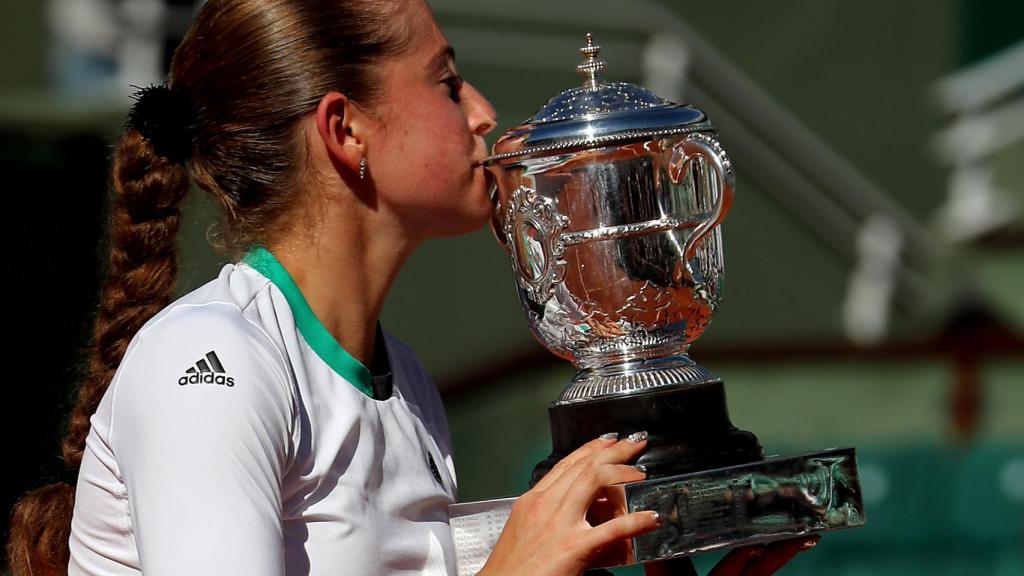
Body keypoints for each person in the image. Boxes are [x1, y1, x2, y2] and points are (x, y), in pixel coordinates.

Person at [6, 1, 818, 574]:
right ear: (345, 130)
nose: (482, 113)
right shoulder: (213, 359)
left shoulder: (406, 382)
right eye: (447, 81)